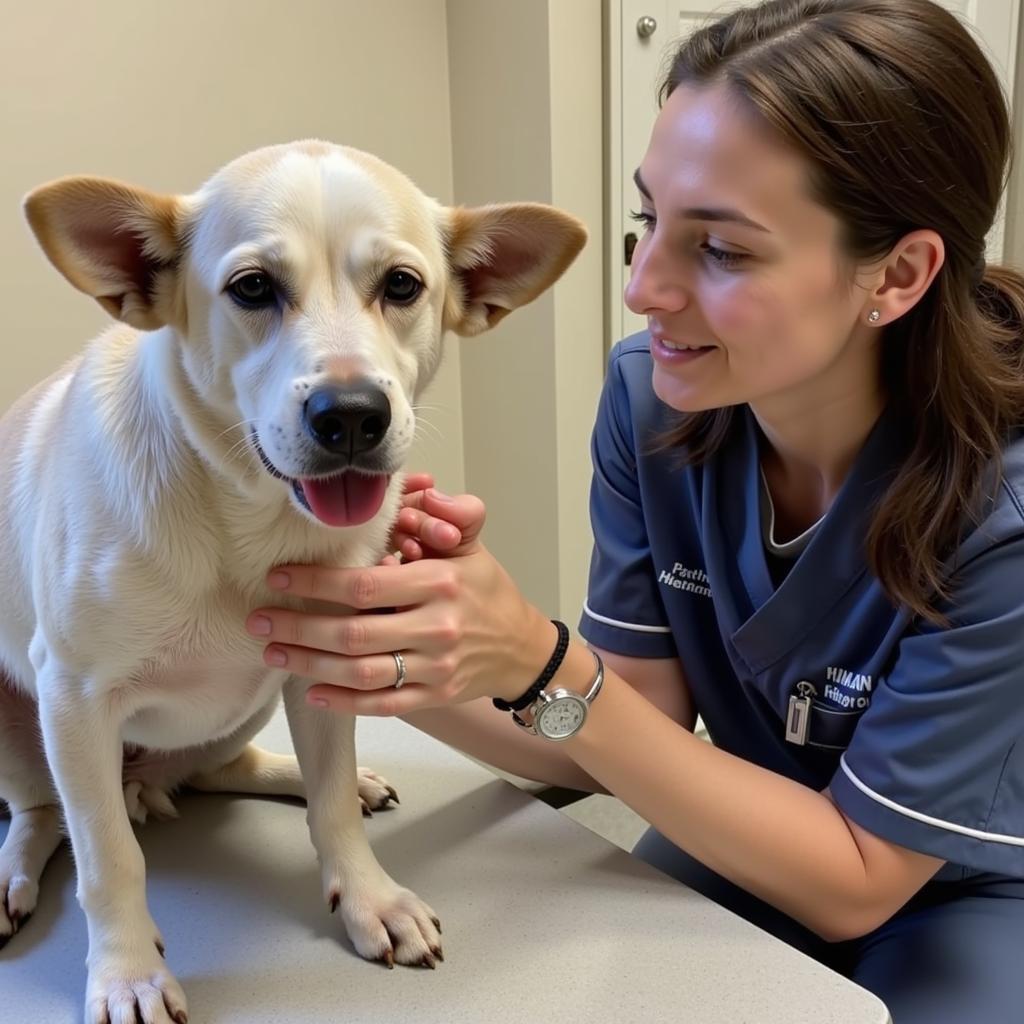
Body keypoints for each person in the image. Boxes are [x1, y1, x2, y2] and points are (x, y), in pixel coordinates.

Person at [245, 1, 1024, 1019]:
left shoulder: (999, 512)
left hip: (956, 884)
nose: (641, 287)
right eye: (649, 219)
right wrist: (414, 646)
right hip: (739, 830)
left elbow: (856, 877)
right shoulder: (654, 403)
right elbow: (631, 725)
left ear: (898, 274)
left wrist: (536, 660)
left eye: (723, 251)